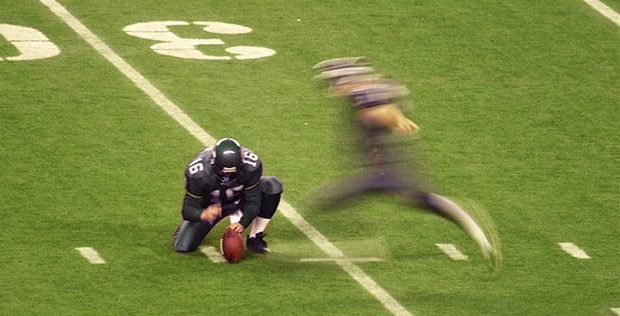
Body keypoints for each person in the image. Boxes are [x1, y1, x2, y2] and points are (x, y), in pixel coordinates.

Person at [312, 57, 501, 269]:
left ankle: (475, 230)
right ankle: (474, 230)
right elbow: (388, 104)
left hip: (386, 168)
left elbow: (381, 110)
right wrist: (396, 117)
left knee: (417, 198)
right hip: (382, 164)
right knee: (344, 195)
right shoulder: (374, 88)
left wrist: (391, 118)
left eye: (335, 81)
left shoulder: (363, 93)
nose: (333, 87)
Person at [173, 138, 283, 255]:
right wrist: (202, 214)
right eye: (225, 172)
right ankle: (184, 230)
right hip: (212, 207)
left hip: (240, 199)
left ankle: (255, 237)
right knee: (183, 246)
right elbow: (187, 210)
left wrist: (242, 224)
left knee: (272, 184)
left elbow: (253, 201)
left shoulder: (251, 165)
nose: (228, 177)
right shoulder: (198, 173)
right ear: (213, 163)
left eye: (233, 172)